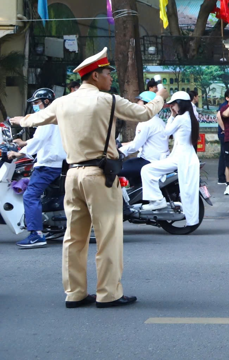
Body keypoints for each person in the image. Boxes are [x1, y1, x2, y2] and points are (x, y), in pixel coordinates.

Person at [10, 47, 167, 308]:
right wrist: (159, 97)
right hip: (100, 176)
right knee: (108, 236)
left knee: (74, 237)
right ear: (95, 76)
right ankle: (108, 293)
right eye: (107, 74)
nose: (110, 78)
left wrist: (18, 119)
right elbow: (144, 114)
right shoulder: (107, 100)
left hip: (72, 175)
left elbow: (33, 120)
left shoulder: (62, 102)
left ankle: (75, 293)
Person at [9, 88, 66, 248]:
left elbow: (39, 140)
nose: (35, 106)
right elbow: (42, 139)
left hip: (47, 165)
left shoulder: (47, 118)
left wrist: (19, 153)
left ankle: (36, 234)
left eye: (36, 103)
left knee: (30, 196)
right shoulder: (51, 117)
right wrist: (24, 143)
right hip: (50, 163)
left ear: (46, 101)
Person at [139, 92, 201, 227]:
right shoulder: (190, 116)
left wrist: (171, 117)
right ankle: (192, 220)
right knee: (188, 191)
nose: (172, 107)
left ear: (181, 104)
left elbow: (166, 132)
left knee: (147, 170)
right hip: (185, 156)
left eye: (174, 104)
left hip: (180, 157)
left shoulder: (180, 118)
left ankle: (157, 200)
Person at [118, 91, 169, 184]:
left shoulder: (146, 122)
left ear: (147, 104)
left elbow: (135, 146)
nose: (137, 104)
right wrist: (120, 144)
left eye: (139, 101)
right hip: (158, 160)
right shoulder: (158, 121)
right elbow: (139, 142)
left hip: (149, 161)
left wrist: (120, 152)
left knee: (118, 169)